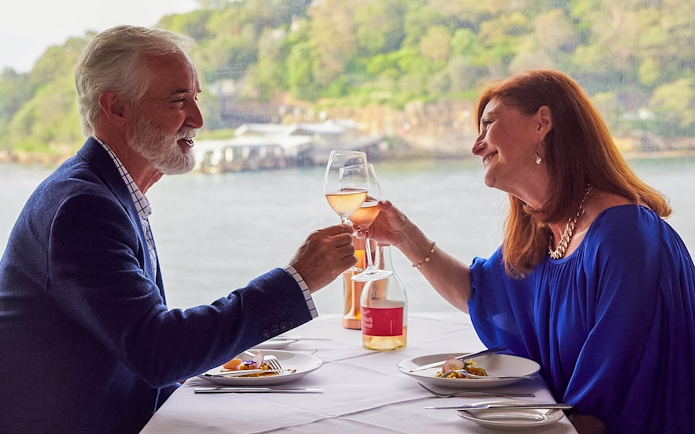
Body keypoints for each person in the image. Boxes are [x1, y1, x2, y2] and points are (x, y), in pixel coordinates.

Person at [0, 26, 356, 433]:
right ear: (116, 108)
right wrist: (298, 280)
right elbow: (158, 350)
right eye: (178, 100)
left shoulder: (103, 191)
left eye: (195, 98)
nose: (198, 119)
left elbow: (143, 349)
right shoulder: (81, 208)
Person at [362, 70, 695, 434]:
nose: (476, 146)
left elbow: (605, 410)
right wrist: (404, 234)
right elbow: (479, 295)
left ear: (543, 123)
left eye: (488, 123)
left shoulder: (624, 236)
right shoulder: (546, 233)